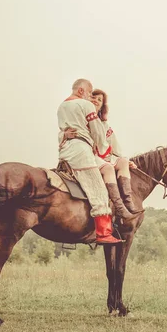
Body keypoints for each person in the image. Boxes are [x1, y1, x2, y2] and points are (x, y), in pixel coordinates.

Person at [57, 79, 123, 244]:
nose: (90, 97)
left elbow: (62, 132)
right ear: (81, 91)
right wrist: (101, 148)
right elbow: (98, 134)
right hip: (82, 152)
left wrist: (66, 136)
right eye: (89, 92)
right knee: (98, 190)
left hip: (65, 152)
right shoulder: (86, 105)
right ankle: (103, 233)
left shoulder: (61, 107)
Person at [64, 89, 144, 218]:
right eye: (93, 97)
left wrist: (125, 161)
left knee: (123, 161)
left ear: (102, 106)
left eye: (99, 100)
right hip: (86, 156)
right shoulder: (78, 119)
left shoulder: (104, 125)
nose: (96, 100)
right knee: (108, 169)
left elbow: (114, 148)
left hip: (103, 157)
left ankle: (128, 202)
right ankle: (119, 207)